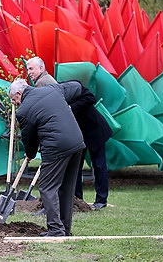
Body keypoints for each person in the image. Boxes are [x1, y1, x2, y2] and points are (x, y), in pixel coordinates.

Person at [27, 56, 112, 211]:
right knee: (75, 168)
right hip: (77, 134)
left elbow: (91, 97)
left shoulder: (71, 89)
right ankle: (77, 199)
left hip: (94, 130)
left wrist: (71, 108)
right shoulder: (56, 97)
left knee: (99, 165)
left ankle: (101, 200)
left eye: (31, 68)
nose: (29, 72)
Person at [8, 78, 85, 237]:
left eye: (14, 100)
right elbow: (76, 87)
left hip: (56, 147)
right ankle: (65, 229)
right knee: (66, 188)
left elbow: (29, 137)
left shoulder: (24, 111)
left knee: (47, 187)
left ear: (19, 93)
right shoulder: (53, 89)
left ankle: (56, 230)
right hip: (77, 142)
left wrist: (29, 154)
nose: (15, 104)